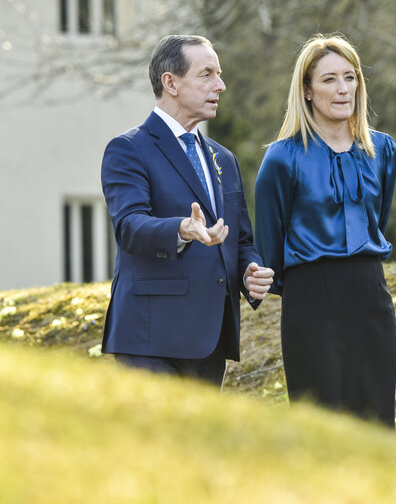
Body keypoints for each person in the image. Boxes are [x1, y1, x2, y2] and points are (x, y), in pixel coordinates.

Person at [100, 34, 274, 387]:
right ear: (171, 83)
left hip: (209, 341)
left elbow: (239, 241)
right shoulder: (128, 149)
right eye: (206, 74)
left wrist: (249, 272)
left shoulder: (223, 158)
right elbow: (129, 226)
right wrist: (182, 228)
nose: (220, 85)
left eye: (219, 74)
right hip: (149, 340)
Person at [254, 34, 396, 426]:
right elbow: (268, 246)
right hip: (310, 303)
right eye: (329, 79)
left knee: (376, 420)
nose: (343, 89)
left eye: (350, 77)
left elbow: (377, 221)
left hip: (370, 294)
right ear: (307, 91)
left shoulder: (382, 150)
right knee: (320, 423)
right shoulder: (281, 158)